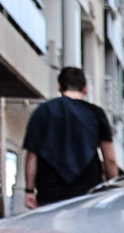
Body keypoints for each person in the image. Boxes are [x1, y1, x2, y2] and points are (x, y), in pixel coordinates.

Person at [22, 66, 118, 206]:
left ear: (59, 87)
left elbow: (32, 155)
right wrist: (112, 187)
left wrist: (29, 190)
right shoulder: (96, 114)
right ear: (85, 89)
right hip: (87, 191)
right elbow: (109, 159)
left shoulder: (43, 111)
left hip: (50, 190)